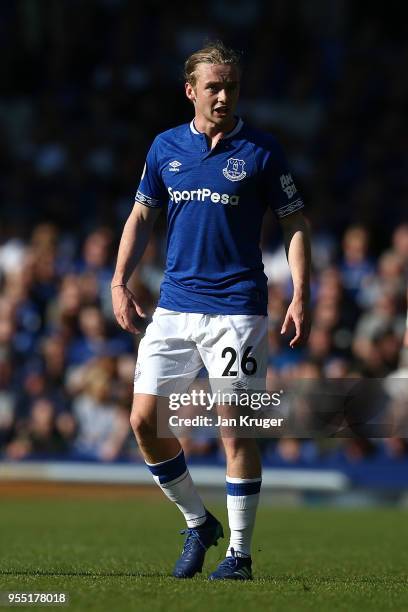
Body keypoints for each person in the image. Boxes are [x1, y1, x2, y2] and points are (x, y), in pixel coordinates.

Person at [111, 42, 311, 580]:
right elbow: (140, 217)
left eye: (232, 87)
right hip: (174, 307)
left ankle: (240, 554)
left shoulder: (263, 151)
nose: (223, 96)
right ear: (190, 91)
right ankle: (199, 522)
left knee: (233, 428)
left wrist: (300, 293)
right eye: (214, 87)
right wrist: (118, 281)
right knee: (143, 422)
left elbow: (295, 224)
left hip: (236, 310)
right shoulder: (165, 147)